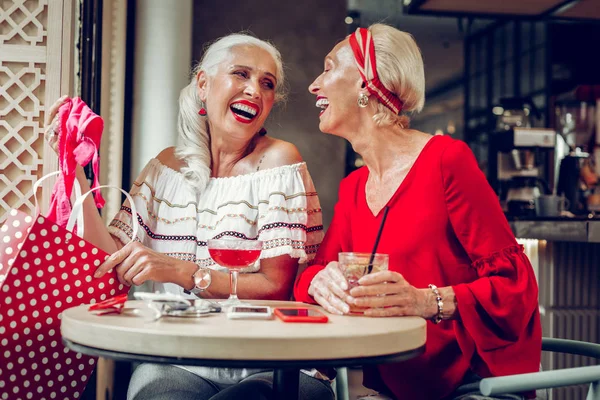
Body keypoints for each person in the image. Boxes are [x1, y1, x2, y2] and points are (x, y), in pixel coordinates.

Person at [44, 33, 333, 400]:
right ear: (203, 84)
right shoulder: (165, 167)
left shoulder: (279, 162)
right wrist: (75, 169)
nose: (254, 91)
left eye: (267, 83)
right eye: (241, 74)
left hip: (270, 360)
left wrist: (179, 271)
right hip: (178, 358)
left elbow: (275, 286)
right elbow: (109, 260)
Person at [293, 24, 542, 400]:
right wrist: (317, 281)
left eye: (328, 68)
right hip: (399, 386)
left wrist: (427, 301)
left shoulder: (447, 161)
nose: (314, 84)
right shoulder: (355, 187)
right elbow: (311, 279)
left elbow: (516, 288)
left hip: (475, 384)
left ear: (366, 83)